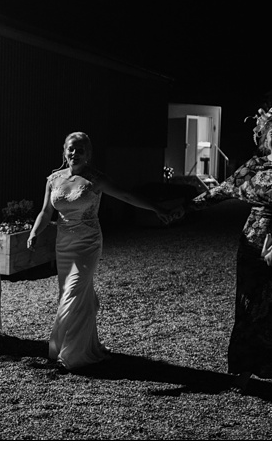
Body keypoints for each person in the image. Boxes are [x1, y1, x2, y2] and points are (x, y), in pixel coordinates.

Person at [182, 107, 272, 390]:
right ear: (266, 137)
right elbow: (224, 190)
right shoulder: (254, 166)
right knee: (249, 308)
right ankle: (246, 369)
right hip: (251, 244)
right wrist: (187, 207)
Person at [28, 132, 167, 370]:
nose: (75, 153)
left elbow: (125, 195)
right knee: (74, 296)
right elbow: (46, 212)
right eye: (71, 148)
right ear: (64, 150)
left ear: (88, 154)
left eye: (80, 149)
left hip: (87, 244)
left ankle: (70, 354)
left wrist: (154, 207)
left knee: (73, 292)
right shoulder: (53, 179)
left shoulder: (96, 180)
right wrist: (34, 232)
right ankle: (80, 347)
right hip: (63, 245)